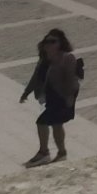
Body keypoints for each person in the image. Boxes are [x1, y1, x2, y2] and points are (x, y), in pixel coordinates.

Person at [20, 28, 81, 166]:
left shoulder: (67, 58)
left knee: (42, 122)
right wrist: (26, 92)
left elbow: (71, 79)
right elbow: (36, 77)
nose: (49, 44)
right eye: (47, 41)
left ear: (60, 43)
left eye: (53, 41)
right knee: (56, 125)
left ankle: (44, 152)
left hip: (61, 97)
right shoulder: (44, 58)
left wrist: (70, 97)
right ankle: (61, 153)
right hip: (50, 97)